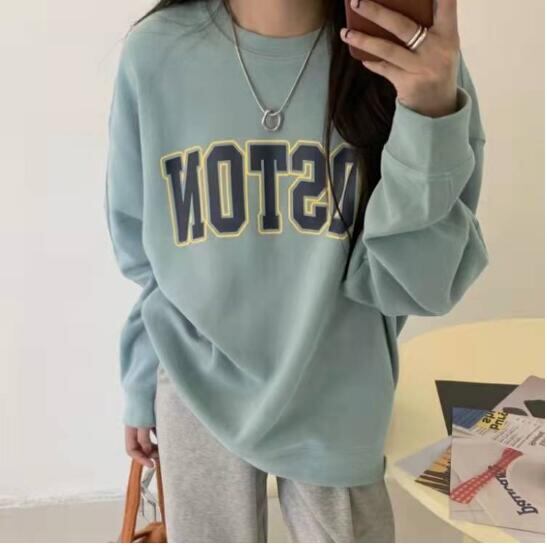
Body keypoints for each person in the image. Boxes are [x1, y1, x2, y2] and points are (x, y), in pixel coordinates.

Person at [104, 0, 488, 541]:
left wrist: (429, 112)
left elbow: (420, 284)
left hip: (339, 394)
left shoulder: (410, 57)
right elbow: (147, 254)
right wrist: (141, 381)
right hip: (195, 383)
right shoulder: (157, 52)